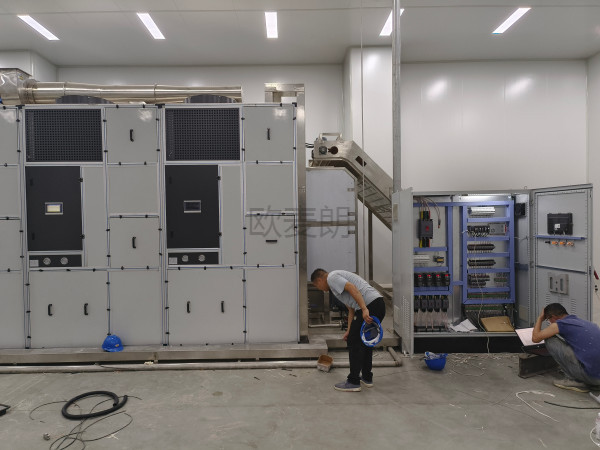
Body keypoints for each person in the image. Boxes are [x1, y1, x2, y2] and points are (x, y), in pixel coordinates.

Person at [311, 268, 386, 392]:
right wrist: (349, 330)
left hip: (370, 305)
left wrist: (364, 309)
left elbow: (352, 288)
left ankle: (353, 381)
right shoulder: (335, 287)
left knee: (354, 342)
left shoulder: (331, 277)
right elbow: (351, 309)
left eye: (317, 286)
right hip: (376, 304)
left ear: (319, 280)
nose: (320, 289)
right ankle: (367, 377)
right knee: (365, 342)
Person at [532, 303, 600, 392]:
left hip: (592, 377)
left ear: (553, 317)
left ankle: (576, 381)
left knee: (550, 340)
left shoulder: (561, 324)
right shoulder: (583, 323)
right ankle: (593, 382)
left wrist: (540, 319)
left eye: (548, 319)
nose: (550, 322)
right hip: (597, 377)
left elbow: (535, 338)